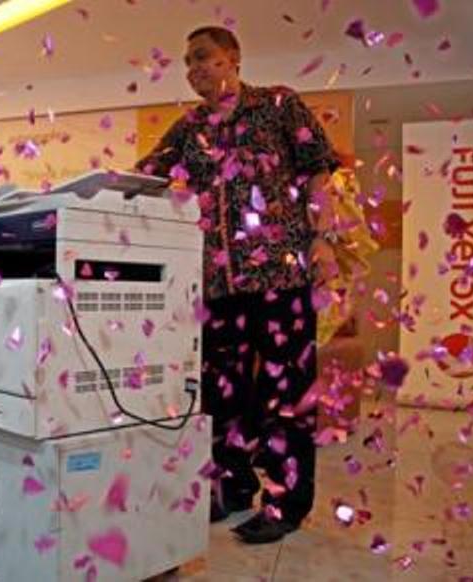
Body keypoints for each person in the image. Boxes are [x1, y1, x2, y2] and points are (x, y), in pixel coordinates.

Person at [137, 26, 339, 544]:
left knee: (285, 393)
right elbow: (145, 176)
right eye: (187, 62)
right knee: (220, 394)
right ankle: (232, 486)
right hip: (218, 285)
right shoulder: (189, 127)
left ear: (233, 57)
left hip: (280, 277)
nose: (194, 69)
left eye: (203, 57)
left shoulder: (278, 105)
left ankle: (286, 502)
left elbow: (318, 172)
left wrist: (324, 239)